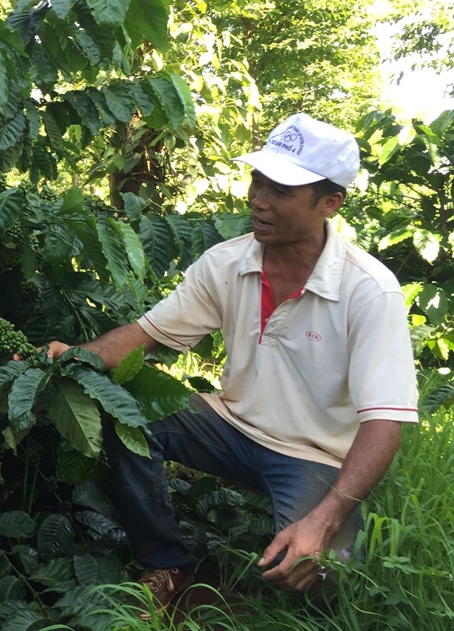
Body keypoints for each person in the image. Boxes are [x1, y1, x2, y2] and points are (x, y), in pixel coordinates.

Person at [47, 114, 418, 615]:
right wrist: (69, 360)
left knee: (327, 575)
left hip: (317, 456)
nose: (258, 200)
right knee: (124, 406)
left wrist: (324, 521)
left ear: (330, 202)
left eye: (281, 190)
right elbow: (145, 336)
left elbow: (384, 422)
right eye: (257, 181)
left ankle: (256, 580)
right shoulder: (226, 263)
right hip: (232, 425)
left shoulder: (368, 291)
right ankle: (167, 563)